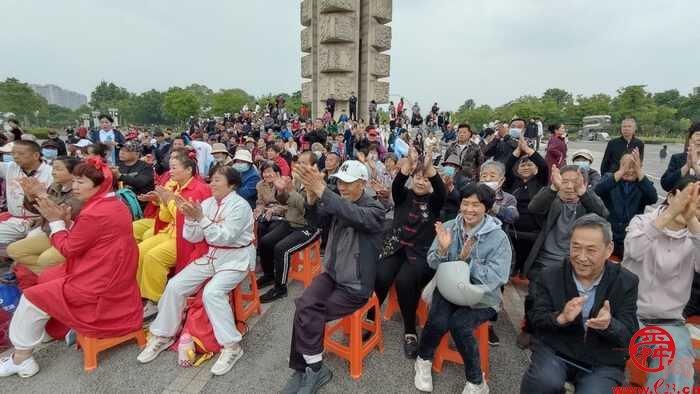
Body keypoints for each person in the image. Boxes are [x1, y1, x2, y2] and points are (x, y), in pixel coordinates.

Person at [0, 158, 142, 377]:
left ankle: (22, 358)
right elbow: (88, 238)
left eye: (81, 181)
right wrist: (60, 219)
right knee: (47, 276)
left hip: (98, 285)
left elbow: (67, 249)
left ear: (99, 185)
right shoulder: (113, 204)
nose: (75, 186)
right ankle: (46, 329)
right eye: (74, 180)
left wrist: (58, 222)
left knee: (31, 296)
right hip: (111, 276)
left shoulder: (96, 212)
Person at [137, 166, 254, 376]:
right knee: (175, 285)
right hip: (213, 256)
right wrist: (190, 219)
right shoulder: (208, 203)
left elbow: (225, 237)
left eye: (217, 180)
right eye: (212, 180)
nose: (212, 184)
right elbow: (194, 238)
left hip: (236, 258)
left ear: (232, 185)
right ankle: (163, 335)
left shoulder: (240, 206)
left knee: (213, 293)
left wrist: (200, 218)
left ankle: (232, 346)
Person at [280, 160, 384, 393]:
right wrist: (311, 196)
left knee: (308, 310)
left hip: (356, 286)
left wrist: (321, 189)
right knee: (304, 306)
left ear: (363, 184)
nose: (342, 187)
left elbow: (353, 214)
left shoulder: (375, 210)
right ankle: (306, 368)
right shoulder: (339, 201)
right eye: (339, 182)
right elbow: (316, 221)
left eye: (348, 183)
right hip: (332, 275)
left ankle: (314, 370)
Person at [520, 214, 639, 394]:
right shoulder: (550, 275)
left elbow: (630, 334)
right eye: (576, 247)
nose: (581, 257)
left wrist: (610, 325)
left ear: (609, 249)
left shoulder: (625, 282)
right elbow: (536, 318)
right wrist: (560, 318)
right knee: (543, 382)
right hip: (557, 350)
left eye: (591, 250)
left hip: (602, 360)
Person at [414, 184, 512, 394]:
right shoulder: (449, 226)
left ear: (486, 207)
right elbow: (432, 262)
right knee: (438, 320)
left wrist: (468, 262)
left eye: (476, 205)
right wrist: (442, 249)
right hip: (449, 287)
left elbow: (499, 277)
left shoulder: (498, 238)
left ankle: (476, 382)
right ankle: (423, 360)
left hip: (483, 296)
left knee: (460, 324)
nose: (469, 209)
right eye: (465, 203)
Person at [623, 176, 700, 390]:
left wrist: (691, 218)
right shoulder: (642, 221)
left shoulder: (696, 236)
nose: (693, 208)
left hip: (668, 322)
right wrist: (671, 214)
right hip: (628, 314)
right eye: (687, 200)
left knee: (676, 368)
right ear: (671, 196)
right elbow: (634, 250)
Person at [519, 165, 609, 348]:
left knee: (563, 299)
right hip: (544, 260)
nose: (569, 186)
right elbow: (534, 207)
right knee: (535, 296)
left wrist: (584, 193)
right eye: (565, 181)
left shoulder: (587, 205)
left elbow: (603, 215)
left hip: (573, 263)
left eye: (574, 182)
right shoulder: (553, 200)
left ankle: (552, 332)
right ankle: (529, 328)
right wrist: (553, 188)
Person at [373, 151, 446, 358]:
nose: (421, 181)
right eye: (417, 177)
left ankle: (410, 330)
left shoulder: (435, 201)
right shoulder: (403, 195)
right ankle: (370, 317)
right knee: (381, 275)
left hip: (419, 253)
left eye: (425, 178)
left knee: (405, 281)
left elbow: (441, 189)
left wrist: (429, 167)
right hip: (395, 247)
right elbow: (397, 184)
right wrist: (409, 165)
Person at [137, 151, 211, 318]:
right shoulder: (176, 187)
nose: (170, 171)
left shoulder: (197, 189)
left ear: (188, 171)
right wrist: (162, 201)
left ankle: (155, 300)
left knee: (153, 257)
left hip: (186, 238)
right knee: (139, 250)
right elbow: (165, 217)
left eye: (174, 167)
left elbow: (187, 220)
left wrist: (169, 200)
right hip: (171, 232)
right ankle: (141, 294)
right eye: (170, 167)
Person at [8, 157, 82, 286]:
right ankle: (53, 278)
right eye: (53, 168)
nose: (53, 172)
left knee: (45, 259)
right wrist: (30, 196)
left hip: (71, 236)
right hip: (50, 232)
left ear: (73, 172)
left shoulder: (80, 190)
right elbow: (38, 211)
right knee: (14, 250)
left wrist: (42, 195)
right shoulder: (55, 186)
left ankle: (58, 280)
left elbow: (62, 212)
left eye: (58, 169)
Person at [258, 152, 321, 303]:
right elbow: (285, 202)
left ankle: (280, 288)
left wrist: (290, 190)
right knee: (265, 241)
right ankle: (269, 276)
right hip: (291, 222)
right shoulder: (296, 179)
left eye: (304, 163)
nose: (299, 166)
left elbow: (305, 209)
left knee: (281, 249)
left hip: (308, 227)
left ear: (314, 166)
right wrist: (281, 191)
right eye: (298, 162)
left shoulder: (316, 184)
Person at [594, 150, 657, 258]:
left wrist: (638, 171)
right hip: (609, 234)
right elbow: (598, 190)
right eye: (625, 165)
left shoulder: (643, 183)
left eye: (633, 166)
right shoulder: (610, 178)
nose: (629, 170)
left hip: (630, 236)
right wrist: (621, 171)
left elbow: (653, 198)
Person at [504, 136, 549, 276]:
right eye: (522, 165)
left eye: (529, 164)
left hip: (533, 230)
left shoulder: (540, 181)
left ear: (535, 169)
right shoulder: (512, 182)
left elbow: (543, 165)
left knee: (527, 261)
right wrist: (518, 150)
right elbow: (506, 167)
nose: (525, 167)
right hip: (512, 229)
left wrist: (528, 149)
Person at [0, 140, 54, 254]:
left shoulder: (51, 173)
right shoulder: (10, 167)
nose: (15, 156)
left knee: (29, 248)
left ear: (36, 155)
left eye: (21, 153)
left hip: (41, 222)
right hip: (15, 220)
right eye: (13, 153)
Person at [660, 122, 700, 192]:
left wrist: (696, 167)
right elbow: (666, 185)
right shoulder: (677, 158)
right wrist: (687, 166)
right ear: (690, 139)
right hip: (679, 201)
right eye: (698, 135)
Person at [115, 140, 155, 208]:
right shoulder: (118, 166)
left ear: (137, 154)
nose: (121, 152)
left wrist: (120, 176)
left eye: (126, 151)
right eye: (121, 150)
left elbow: (140, 182)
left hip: (140, 205)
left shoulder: (145, 167)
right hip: (121, 202)